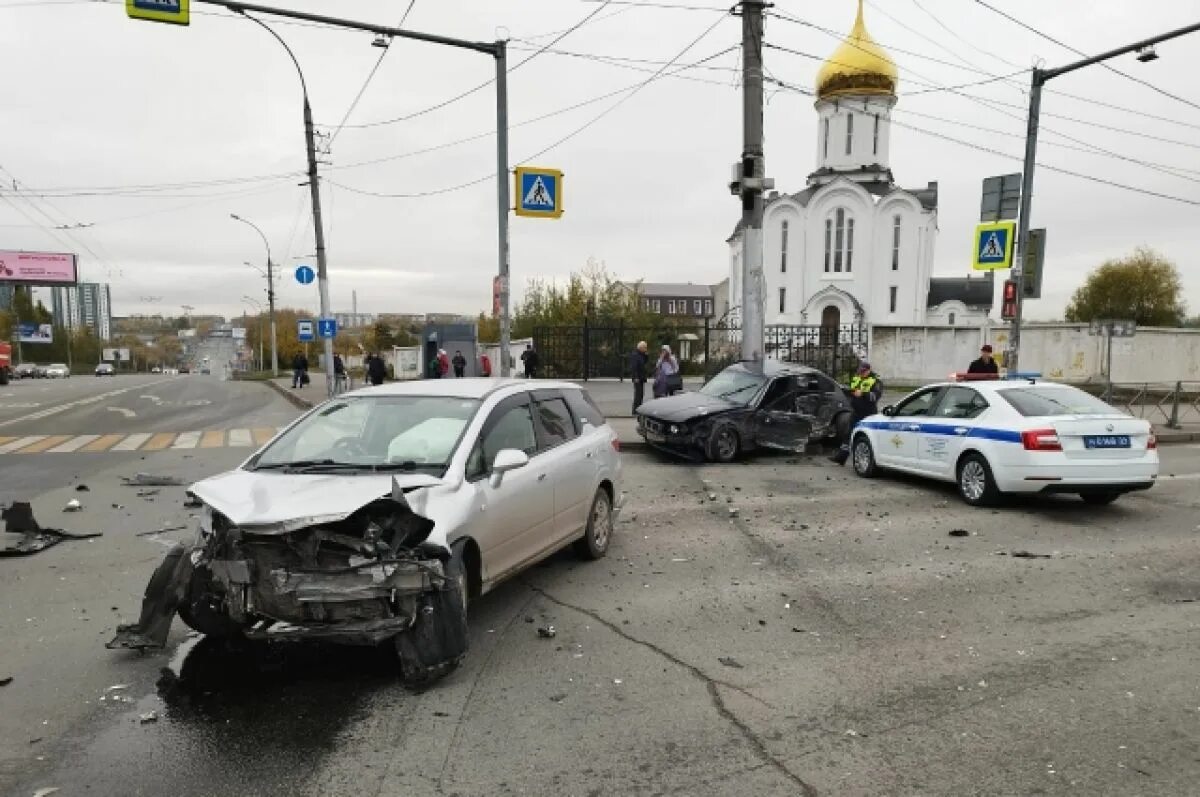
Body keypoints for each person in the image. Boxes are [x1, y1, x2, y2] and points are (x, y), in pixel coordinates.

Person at [829, 361, 883, 465]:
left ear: (869, 370)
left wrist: (862, 394)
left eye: (863, 371)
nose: (861, 373)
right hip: (856, 412)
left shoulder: (876, 382)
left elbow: (875, 397)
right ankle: (841, 458)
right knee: (849, 433)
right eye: (860, 371)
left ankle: (871, 460)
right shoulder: (857, 378)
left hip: (869, 413)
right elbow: (852, 391)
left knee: (867, 436)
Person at [629, 340, 649, 412]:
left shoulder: (641, 354)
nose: (646, 349)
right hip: (638, 378)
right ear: (641, 347)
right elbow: (634, 367)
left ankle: (638, 410)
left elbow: (644, 362)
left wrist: (646, 356)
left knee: (641, 394)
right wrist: (636, 377)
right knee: (638, 395)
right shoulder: (635, 355)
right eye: (645, 348)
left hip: (641, 377)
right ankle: (635, 410)